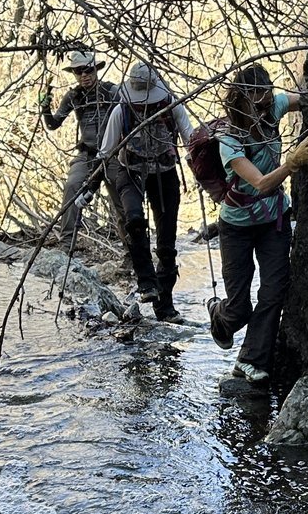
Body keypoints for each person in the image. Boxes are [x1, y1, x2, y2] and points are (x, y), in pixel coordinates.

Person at [207, 63, 308, 386]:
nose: (264, 106)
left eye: (266, 97)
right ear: (242, 100)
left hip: (275, 219)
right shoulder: (229, 139)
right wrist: (293, 161)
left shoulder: (274, 106)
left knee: (274, 290)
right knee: (240, 307)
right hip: (237, 227)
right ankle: (221, 315)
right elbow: (260, 183)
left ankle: (250, 360)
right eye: (256, 101)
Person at [100, 61, 194, 321]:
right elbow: (106, 150)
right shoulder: (122, 110)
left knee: (167, 245)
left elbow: (191, 139)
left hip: (164, 173)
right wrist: (92, 184)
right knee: (134, 221)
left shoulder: (171, 106)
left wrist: (200, 168)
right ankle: (146, 284)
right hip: (129, 171)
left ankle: (165, 306)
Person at [38, 50, 123, 250]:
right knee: (72, 187)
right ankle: (67, 244)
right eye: (78, 72)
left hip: (112, 154)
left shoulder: (112, 92)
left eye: (88, 70)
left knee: (122, 200)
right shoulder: (73, 96)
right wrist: (45, 108)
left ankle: (132, 251)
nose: (84, 75)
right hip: (87, 154)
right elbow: (53, 125)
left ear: (96, 70)